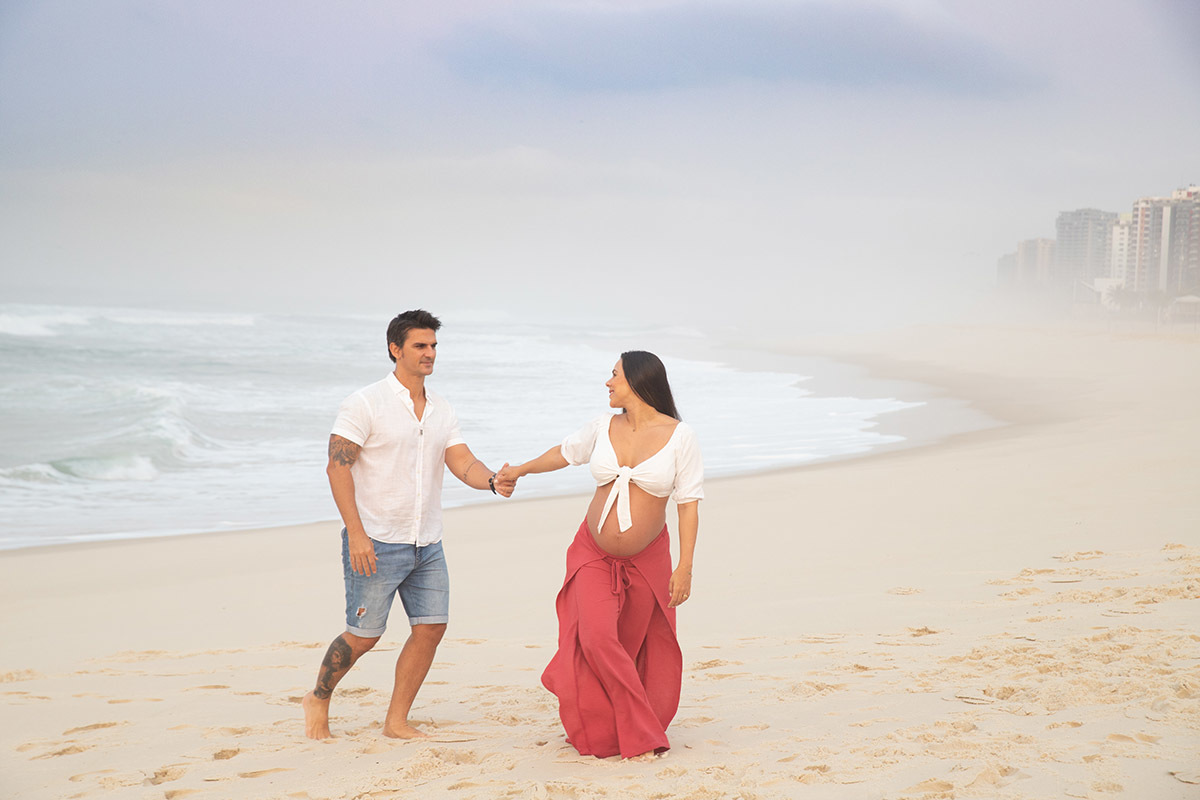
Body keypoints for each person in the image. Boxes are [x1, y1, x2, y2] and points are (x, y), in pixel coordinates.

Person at [302, 309, 514, 740]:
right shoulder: (364, 403)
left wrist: (492, 481)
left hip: (427, 542)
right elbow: (337, 469)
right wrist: (357, 535)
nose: (429, 353)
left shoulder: (441, 408)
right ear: (395, 349)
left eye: (434, 345)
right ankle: (319, 696)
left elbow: (462, 461)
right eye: (420, 345)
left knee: (431, 627)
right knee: (363, 637)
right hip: (376, 540)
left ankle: (396, 720)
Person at [498, 351, 703, 759]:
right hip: (592, 552)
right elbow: (565, 453)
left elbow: (689, 504)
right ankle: (642, 732)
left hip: (648, 560)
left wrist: (685, 566)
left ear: (639, 382)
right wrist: (520, 469)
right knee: (595, 638)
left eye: (614, 376)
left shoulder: (681, 437)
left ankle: (613, 726)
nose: (607, 383)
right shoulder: (602, 427)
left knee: (629, 646)